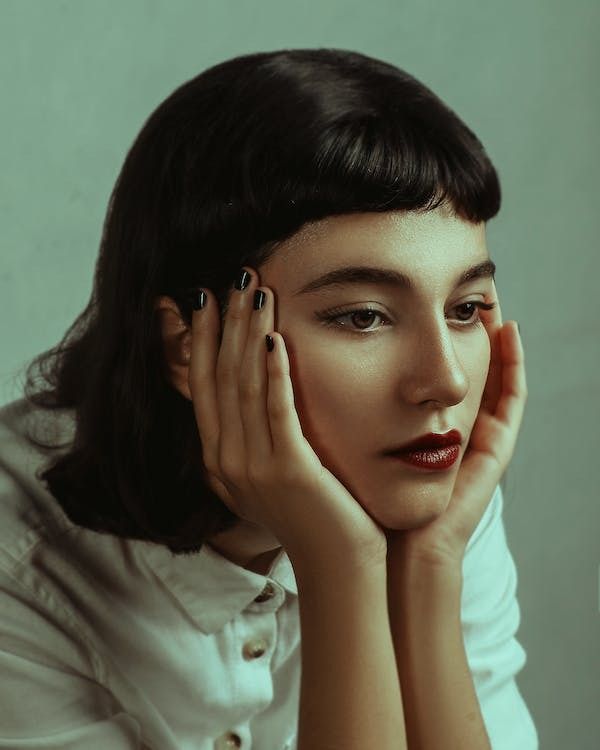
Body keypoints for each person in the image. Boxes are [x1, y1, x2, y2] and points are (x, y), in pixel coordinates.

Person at [0, 48, 539, 749]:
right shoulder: (22, 574)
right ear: (187, 345)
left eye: (465, 309)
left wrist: (429, 569)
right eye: (363, 316)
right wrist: (341, 570)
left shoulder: (431, 483)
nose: (446, 382)